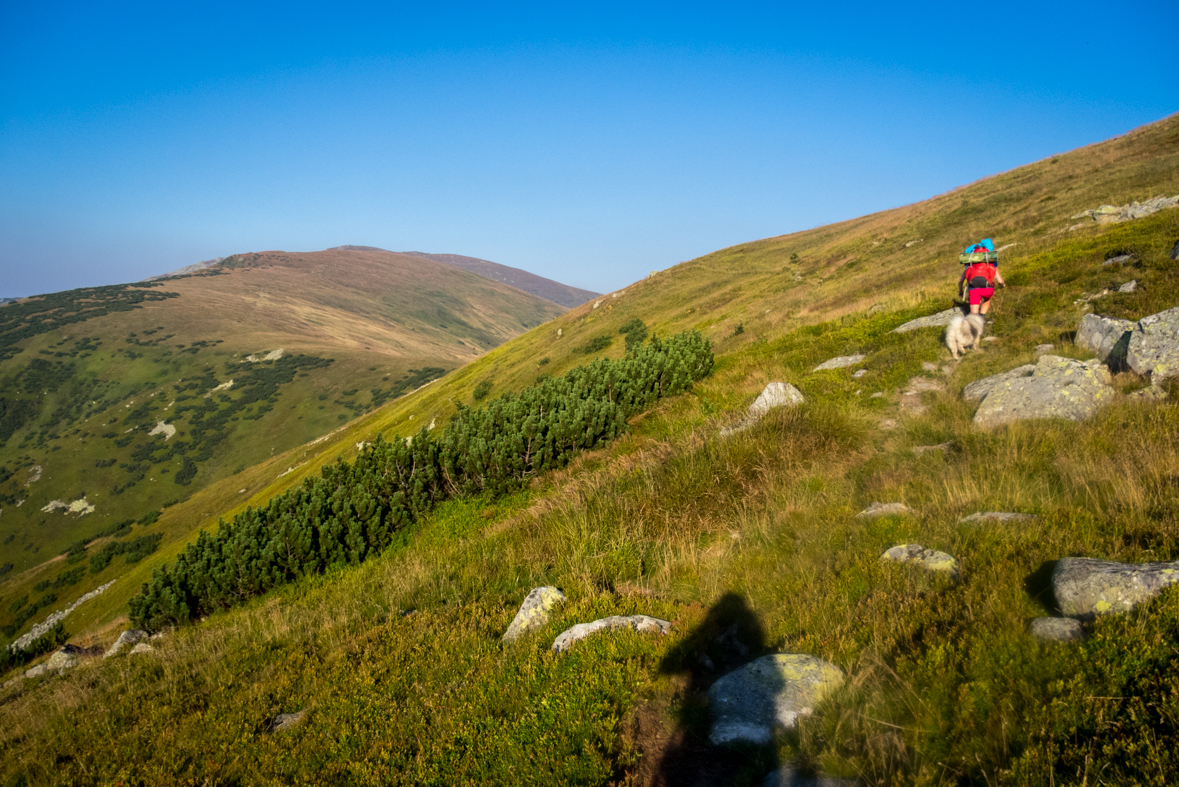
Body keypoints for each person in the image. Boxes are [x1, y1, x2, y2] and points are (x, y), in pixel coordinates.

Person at [958, 238, 1006, 315]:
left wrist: (960, 291)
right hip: (987, 288)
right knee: (987, 299)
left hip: (973, 288)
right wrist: (1002, 285)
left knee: (974, 313)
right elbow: (1000, 280)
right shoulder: (990, 262)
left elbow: (961, 280)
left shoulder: (970, 264)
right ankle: (982, 317)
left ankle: (975, 322)